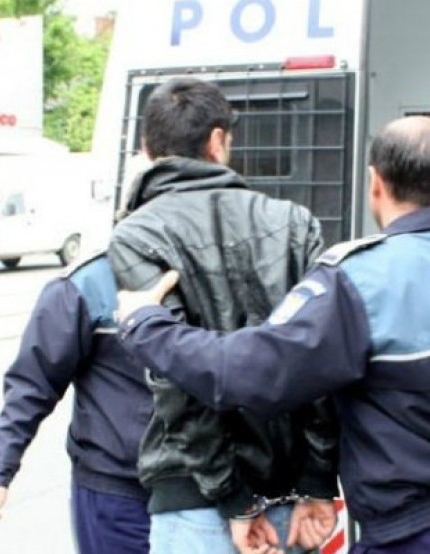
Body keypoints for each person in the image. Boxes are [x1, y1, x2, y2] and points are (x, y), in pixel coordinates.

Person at [113, 116, 430, 554]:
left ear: (375, 182)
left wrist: (146, 323)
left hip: (413, 536)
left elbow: (245, 374)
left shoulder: (358, 281)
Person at [106, 77, 339, 554]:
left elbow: (175, 381)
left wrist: (234, 498)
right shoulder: (294, 223)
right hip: (289, 496)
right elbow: (321, 362)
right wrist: (317, 479)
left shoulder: (136, 235)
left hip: (193, 497)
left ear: (148, 149)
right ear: (218, 141)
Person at [0, 251, 153, 554]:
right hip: (118, 491)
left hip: (206, 492)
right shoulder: (88, 282)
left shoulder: (214, 266)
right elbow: (33, 385)